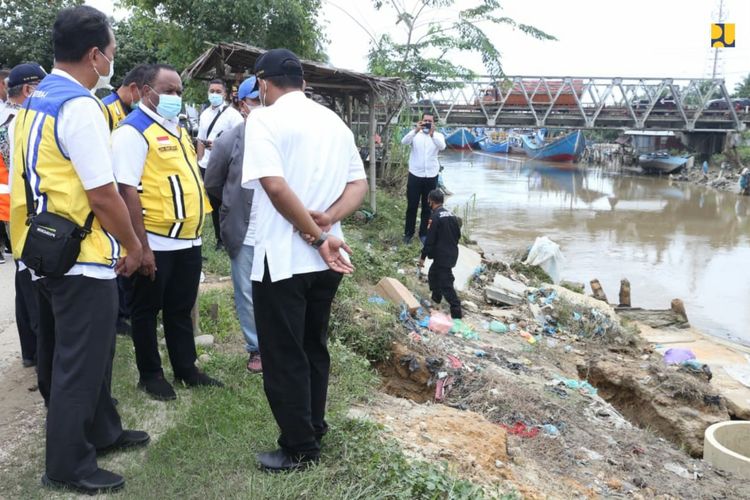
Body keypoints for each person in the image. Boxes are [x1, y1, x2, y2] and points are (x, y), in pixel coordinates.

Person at [8, 6, 149, 494]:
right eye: (111, 51)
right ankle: (68, 465)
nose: (113, 59)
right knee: (79, 364)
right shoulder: (81, 106)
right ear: (95, 55)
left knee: (72, 354)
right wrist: (132, 245)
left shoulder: (34, 98)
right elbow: (102, 193)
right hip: (81, 253)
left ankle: (103, 431)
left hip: (42, 249)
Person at [242, 48, 367, 471]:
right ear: (303, 81)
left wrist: (315, 237)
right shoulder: (333, 121)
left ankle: (299, 447)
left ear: (263, 83)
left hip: (285, 259)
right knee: (314, 344)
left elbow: (275, 188)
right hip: (328, 259)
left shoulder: (263, 118)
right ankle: (313, 424)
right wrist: (328, 222)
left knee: (284, 354)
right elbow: (358, 184)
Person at [113, 63, 223, 401]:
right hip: (155, 241)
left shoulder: (175, 129)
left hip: (188, 240)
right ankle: (150, 374)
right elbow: (126, 190)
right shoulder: (132, 131)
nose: (176, 96)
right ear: (147, 92)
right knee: (146, 311)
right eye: (169, 90)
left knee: (180, 307)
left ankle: (186, 368)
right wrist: (140, 248)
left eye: (179, 91)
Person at [204, 76, 262, 373]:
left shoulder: (285, 137)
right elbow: (213, 183)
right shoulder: (230, 140)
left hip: (278, 231)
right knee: (246, 293)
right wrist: (233, 203)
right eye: (257, 101)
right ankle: (256, 348)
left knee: (276, 291)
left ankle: (277, 344)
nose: (264, 107)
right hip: (244, 229)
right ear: (243, 105)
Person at [2, 62, 46, 366]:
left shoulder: (7, 118)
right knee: (34, 287)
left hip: (11, 211)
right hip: (23, 210)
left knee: (23, 281)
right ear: (29, 90)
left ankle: (31, 352)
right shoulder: (22, 120)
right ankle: (41, 354)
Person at [197, 78, 243, 251]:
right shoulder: (205, 114)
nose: (214, 94)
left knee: (228, 203)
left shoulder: (233, 115)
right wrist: (199, 162)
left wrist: (220, 147)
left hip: (226, 164)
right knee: (214, 204)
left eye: (218, 91)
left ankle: (231, 236)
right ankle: (220, 240)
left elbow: (239, 139)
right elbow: (201, 140)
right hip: (207, 164)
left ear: (225, 94)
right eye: (211, 91)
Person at [401, 112, 446, 244]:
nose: (427, 123)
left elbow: (442, 147)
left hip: (431, 175)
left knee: (428, 207)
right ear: (421, 121)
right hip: (415, 174)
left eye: (430, 121)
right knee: (412, 205)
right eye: (425, 120)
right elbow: (404, 142)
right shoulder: (415, 135)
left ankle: (424, 234)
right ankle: (408, 234)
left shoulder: (438, 136)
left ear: (434, 123)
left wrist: (432, 134)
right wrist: (415, 130)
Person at [419, 189, 462, 319]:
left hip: (442, 256)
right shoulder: (452, 215)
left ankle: (456, 312)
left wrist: (422, 257)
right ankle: (436, 301)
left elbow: (430, 240)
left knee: (446, 284)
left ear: (431, 201)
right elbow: (458, 235)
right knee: (433, 274)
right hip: (451, 253)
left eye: (428, 200)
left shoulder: (435, 217)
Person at [102, 63, 150, 130]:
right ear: (133, 88)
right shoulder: (105, 109)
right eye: (144, 94)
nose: (147, 100)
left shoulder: (133, 110)